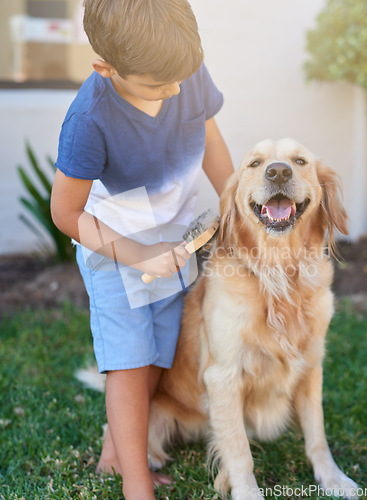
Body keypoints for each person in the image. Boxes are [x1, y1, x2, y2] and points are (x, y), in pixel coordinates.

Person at [50, 0, 234, 498]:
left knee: (160, 349)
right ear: (105, 69)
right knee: (129, 363)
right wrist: (138, 256)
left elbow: (211, 141)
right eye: (157, 85)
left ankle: (116, 449)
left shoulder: (181, 68)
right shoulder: (89, 119)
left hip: (174, 240)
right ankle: (135, 483)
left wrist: (232, 199)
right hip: (113, 247)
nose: (173, 91)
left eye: (180, 77)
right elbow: (67, 213)